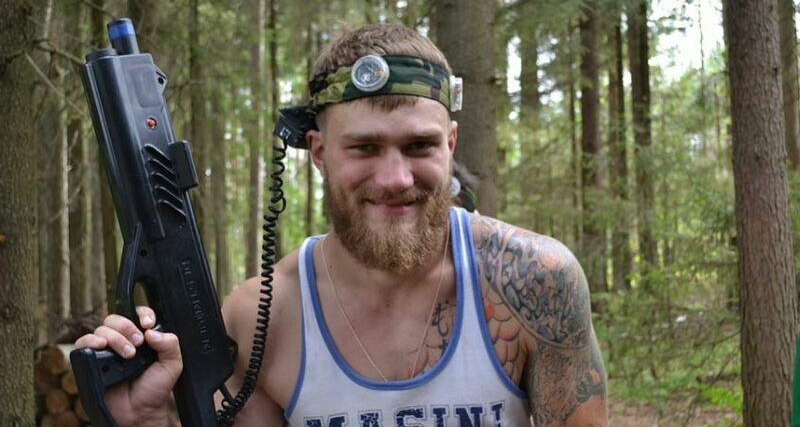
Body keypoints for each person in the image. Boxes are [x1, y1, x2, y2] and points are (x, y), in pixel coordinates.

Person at [76, 24, 608, 426]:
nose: (395, 178)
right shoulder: (262, 317)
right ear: (319, 152)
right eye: (365, 147)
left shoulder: (534, 281)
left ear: (450, 144)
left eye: (419, 145)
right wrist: (144, 422)